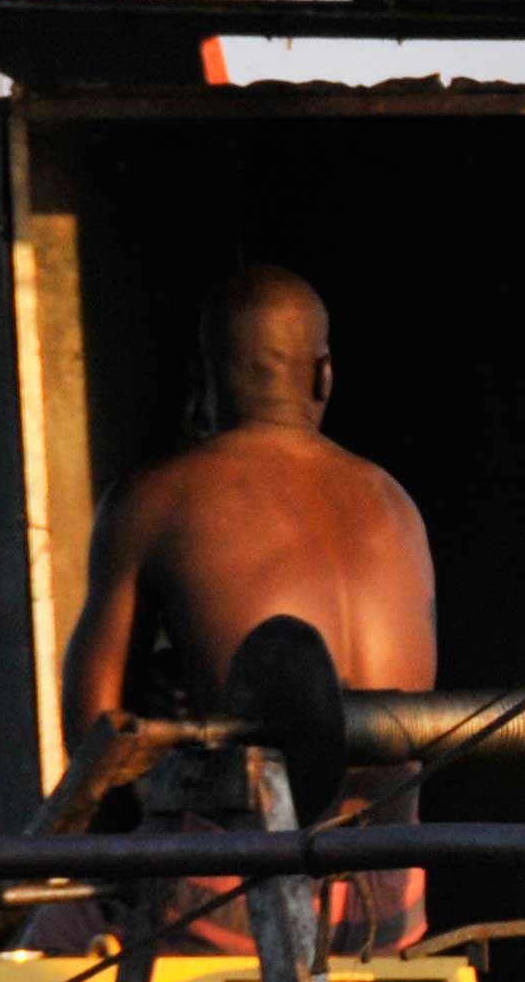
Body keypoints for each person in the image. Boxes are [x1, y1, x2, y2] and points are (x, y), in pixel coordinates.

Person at [56, 264, 438, 945]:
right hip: (390, 901)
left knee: (49, 921)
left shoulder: (155, 498)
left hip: (230, 902)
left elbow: (94, 745)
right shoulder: (398, 505)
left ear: (205, 376)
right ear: (322, 376)